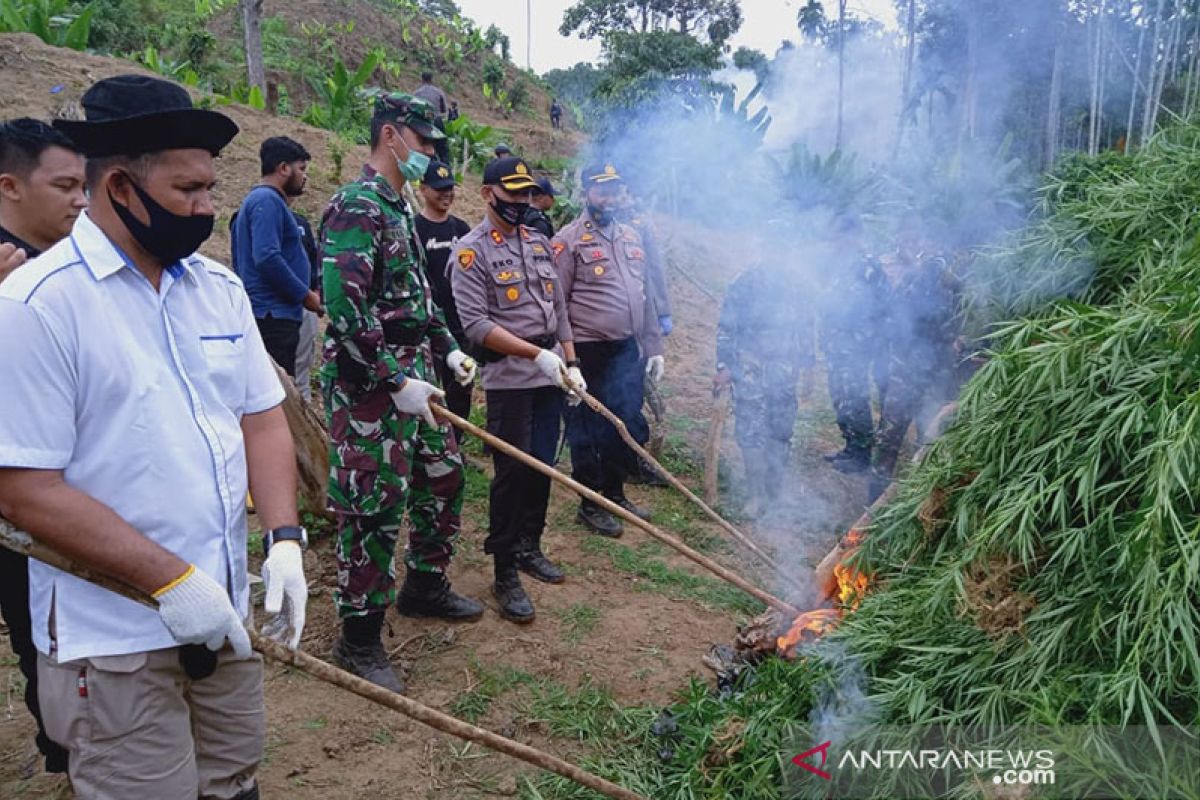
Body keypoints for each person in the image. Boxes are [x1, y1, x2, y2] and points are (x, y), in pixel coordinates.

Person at [0, 74, 307, 799]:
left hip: (223, 611)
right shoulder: (38, 307)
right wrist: (167, 578)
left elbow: (260, 417)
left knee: (233, 781)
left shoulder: (217, 290)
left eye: (209, 188)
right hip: (113, 638)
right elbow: (23, 488)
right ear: (120, 190)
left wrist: (285, 538)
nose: (207, 207)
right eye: (187, 191)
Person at [321, 93, 482, 694]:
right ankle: (357, 637)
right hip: (370, 392)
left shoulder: (399, 207)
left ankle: (424, 585)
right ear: (391, 136)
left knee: (444, 475)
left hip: (417, 377)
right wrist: (393, 380)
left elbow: (420, 300)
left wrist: (449, 346)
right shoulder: (355, 207)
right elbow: (344, 310)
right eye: (425, 141)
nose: (432, 153)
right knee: (373, 508)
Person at [451, 156, 582, 622]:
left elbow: (559, 307)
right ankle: (504, 567)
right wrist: (536, 355)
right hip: (510, 378)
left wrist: (569, 360)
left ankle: (530, 545)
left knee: (543, 465)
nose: (522, 203)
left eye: (527, 194)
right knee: (511, 473)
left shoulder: (540, 243)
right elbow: (476, 325)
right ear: (488, 194)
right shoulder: (470, 252)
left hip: (550, 373)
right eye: (512, 195)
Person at [0, 116, 86, 777]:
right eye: (64, 186)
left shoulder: (74, 262)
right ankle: (65, 748)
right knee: (36, 624)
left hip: (65, 478)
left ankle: (72, 742)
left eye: (83, 185)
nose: (79, 200)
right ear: (10, 186)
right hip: (15, 488)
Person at [553, 162, 663, 536]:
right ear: (586, 193)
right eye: (603, 190)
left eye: (616, 190)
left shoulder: (632, 238)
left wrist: (654, 346)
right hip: (586, 351)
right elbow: (557, 304)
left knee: (624, 421)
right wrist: (567, 360)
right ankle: (590, 502)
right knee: (587, 428)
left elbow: (644, 297)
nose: (611, 197)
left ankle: (615, 493)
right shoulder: (568, 240)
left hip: (626, 350)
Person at [715, 237, 816, 517]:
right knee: (751, 430)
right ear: (764, 248)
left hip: (785, 369)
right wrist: (723, 366)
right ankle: (755, 495)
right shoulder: (745, 282)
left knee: (781, 429)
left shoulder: (797, 285)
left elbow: (807, 328)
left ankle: (777, 491)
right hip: (751, 368)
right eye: (773, 247)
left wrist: (809, 367)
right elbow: (727, 326)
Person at [868, 225, 962, 502]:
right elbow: (894, 319)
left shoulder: (955, 286)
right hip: (907, 370)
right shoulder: (911, 278)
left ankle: (917, 506)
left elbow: (957, 329)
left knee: (928, 442)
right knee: (888, 438)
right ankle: (872, 506)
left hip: (936, 374)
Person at [233, 136, 323, 377]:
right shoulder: (267, 201)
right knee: (277, 392)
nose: (305, 177)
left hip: (276, 315)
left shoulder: (266, 202)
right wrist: (304, 295)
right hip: (272, 316)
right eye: (301, 169)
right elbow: (267, 257)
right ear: (283, 168)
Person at [821, 218, 889, 474]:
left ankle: (861, 455)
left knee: (855, 397)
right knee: (840, 395)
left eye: (840, 237)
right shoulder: (839, 266)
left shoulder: (868, 267)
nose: (835, 242)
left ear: (854, 236)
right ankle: (850, 447)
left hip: (857, 346)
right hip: (837, 345)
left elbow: (880, 308)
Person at [414, 159, 473, 427]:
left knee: (462, 388)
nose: (446, 194)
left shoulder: (462, 230)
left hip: (461, 324)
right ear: (423, 189)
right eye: (439, 188)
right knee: (431, 386)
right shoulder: (414, 229)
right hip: (427, 326)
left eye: (449, 187)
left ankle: (456, 442)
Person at [293, 210, 322, 400]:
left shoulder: (300, 221)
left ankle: (305, 424)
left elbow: (314, 257)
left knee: (302, 369)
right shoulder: (257, 213)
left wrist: (317, 291)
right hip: (271, 308)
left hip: (307, 304)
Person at [413, 71, 451, 163]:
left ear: (422, 79)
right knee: (443, 149)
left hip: (422, 122)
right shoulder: (438, 92)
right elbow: (443, 110)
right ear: (432, 79)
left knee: (420, 147)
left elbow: (413, 108)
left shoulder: (417, 93)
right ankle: (446, 169)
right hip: (436, 120)